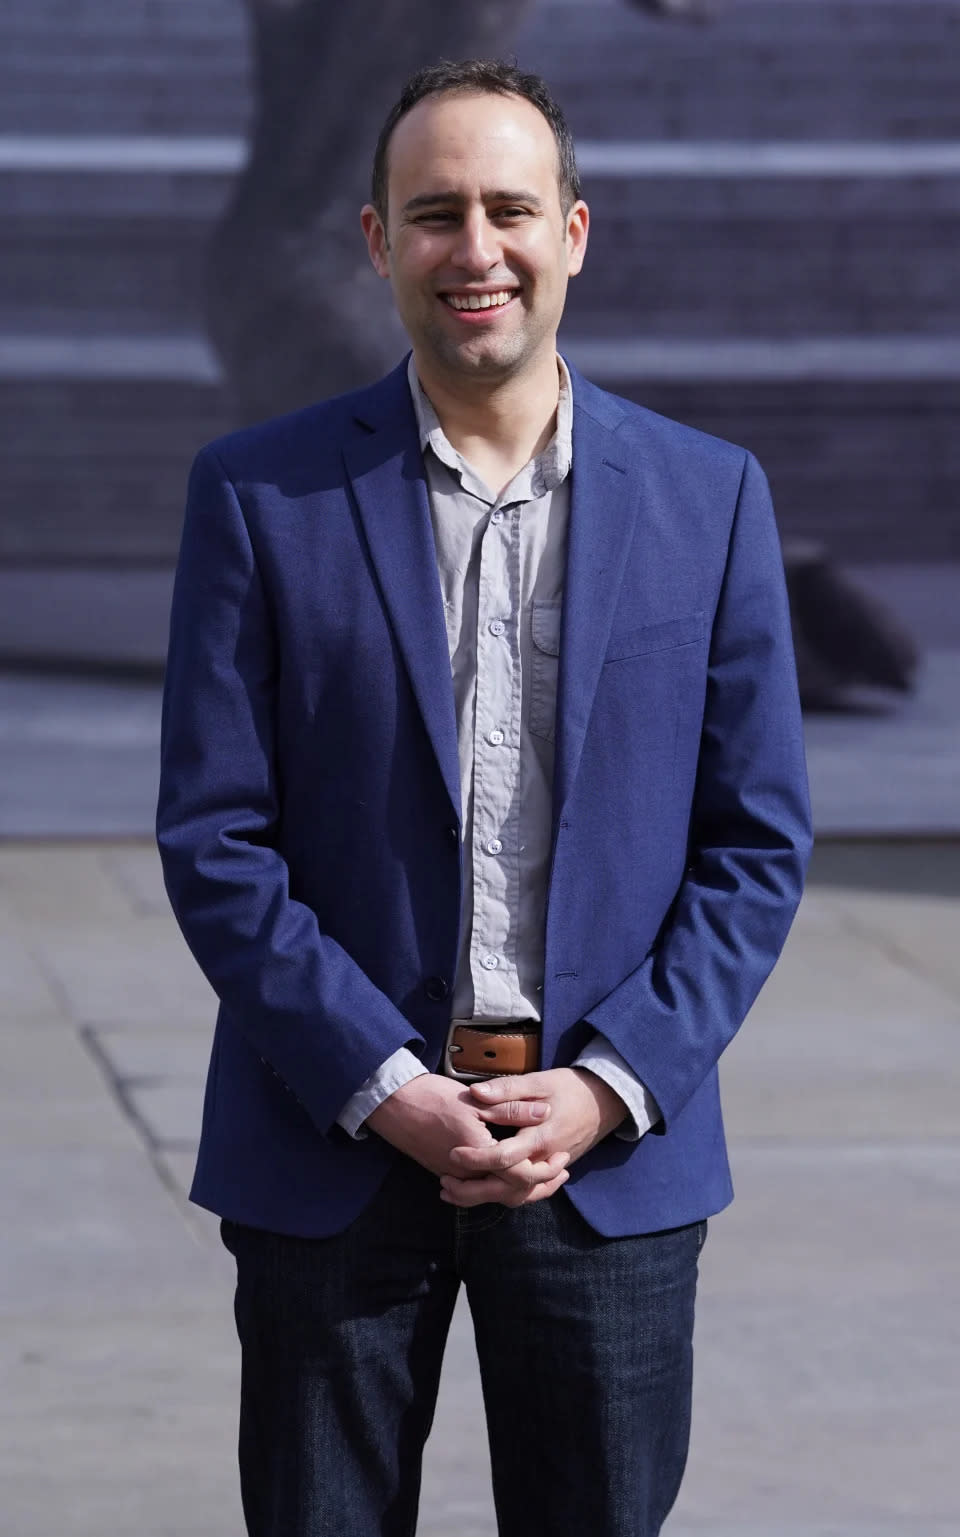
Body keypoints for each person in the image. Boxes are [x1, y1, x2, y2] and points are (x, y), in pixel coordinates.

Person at [157, 59, 812, 1537]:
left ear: (573, 231)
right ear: (379, 242)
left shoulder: (709, 497)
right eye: (436, 213)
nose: (478, 248)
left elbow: (755, 843)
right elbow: (216, 836)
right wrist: (388, 1088)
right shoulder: (259, 496)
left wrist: (604, 1086)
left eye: (510, 208)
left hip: (606, 1161)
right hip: (336, 1151)